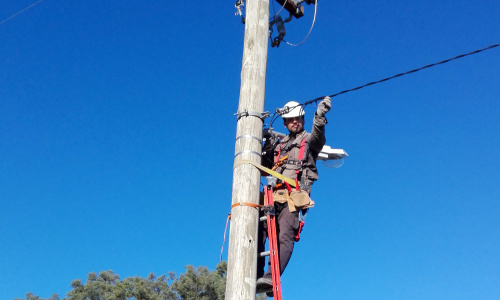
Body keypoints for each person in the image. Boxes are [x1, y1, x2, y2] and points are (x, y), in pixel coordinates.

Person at [256, 96, 331, 293]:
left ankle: (271, 278)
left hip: (294, 197)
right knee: (258, 232)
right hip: (274, 195)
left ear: (303, 119)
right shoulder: (279, 146)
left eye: (297, 118)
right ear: (285, 123)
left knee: (285, 236)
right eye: (290, 120)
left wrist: (320, 116)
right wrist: (264, 143)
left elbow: (318, 136)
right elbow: (265, 168)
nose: (294, 122)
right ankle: (257, 274)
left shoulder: (308, 140)